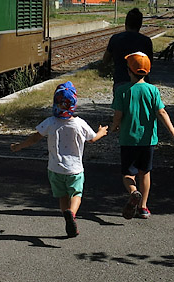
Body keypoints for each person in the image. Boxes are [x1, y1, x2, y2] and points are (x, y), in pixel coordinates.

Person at [11, 81, 108, 237]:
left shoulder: (50, 122)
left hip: (55, 169)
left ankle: (66, 216)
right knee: (76, 195)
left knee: (62, 196)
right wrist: (101, 132)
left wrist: (19, 146)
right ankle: (72, 214)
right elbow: (92, 139)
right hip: (74, 170)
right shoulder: (79, 123)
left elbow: (34, 138)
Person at [110, 52, 174, 219]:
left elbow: (118, 115)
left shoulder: (122, 90)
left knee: (128, 174)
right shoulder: (153, 90)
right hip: (148, 140)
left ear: (129, 70)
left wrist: (113, 127)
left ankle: (133, 192)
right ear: (147, 71)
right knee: (145, 173)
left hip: (128, 140)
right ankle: (143, 207)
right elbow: (162, 112)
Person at [105, 8, 153, 88]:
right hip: (142, 83)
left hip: (120, 81)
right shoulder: (146, 41)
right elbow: (150, 63)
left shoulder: (115, 38)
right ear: (140, 25)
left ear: (126, 23)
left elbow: (106, 60)